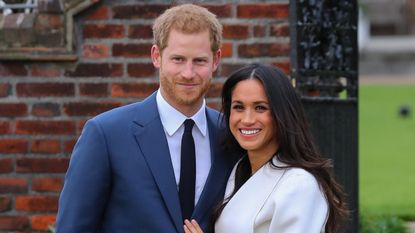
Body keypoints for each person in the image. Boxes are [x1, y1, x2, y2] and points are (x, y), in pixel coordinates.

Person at [56, 4, 238, 233]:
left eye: (199, 61)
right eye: (178, 59)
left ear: (216, 60)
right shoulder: (106, 134)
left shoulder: (231, 135)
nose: (188, 73)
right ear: (156, 56)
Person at [184, 63, 348, 233]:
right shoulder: (238, 170)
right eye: (239, 107)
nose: (247, 119)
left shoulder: (299, 185)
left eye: (260, 108)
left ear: (281, 113)